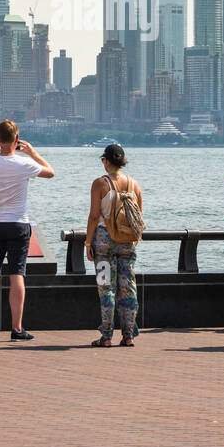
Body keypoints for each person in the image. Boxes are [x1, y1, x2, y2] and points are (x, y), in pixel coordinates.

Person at [0, 120, 54, 341]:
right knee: (17, 274)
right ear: (17, 140)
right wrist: (33, 153)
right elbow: (50, 173)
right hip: (18, 224)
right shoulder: (23, 163)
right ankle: (16, 329)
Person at [85, 143, 142, 347]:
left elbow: (93, 216)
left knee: (106, 287)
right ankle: (128, 335)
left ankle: (107, 336)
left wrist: (88, 242)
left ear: (106, 161)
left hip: (103, 242)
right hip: (127, 242)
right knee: (128, 288)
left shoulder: (100, 184)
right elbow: (138, 217)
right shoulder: (134, 185)